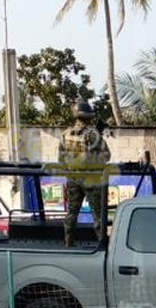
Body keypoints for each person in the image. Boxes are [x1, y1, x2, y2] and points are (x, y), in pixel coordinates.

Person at [58, 99, 111, 247]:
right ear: (89, 116)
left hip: (73, 179)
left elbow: (61, 159)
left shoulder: (65, 134)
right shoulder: (93, 135)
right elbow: (106, 156)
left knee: (71, 213)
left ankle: (68, 242)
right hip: (90, 179)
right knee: (98, 214)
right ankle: (102, 244)